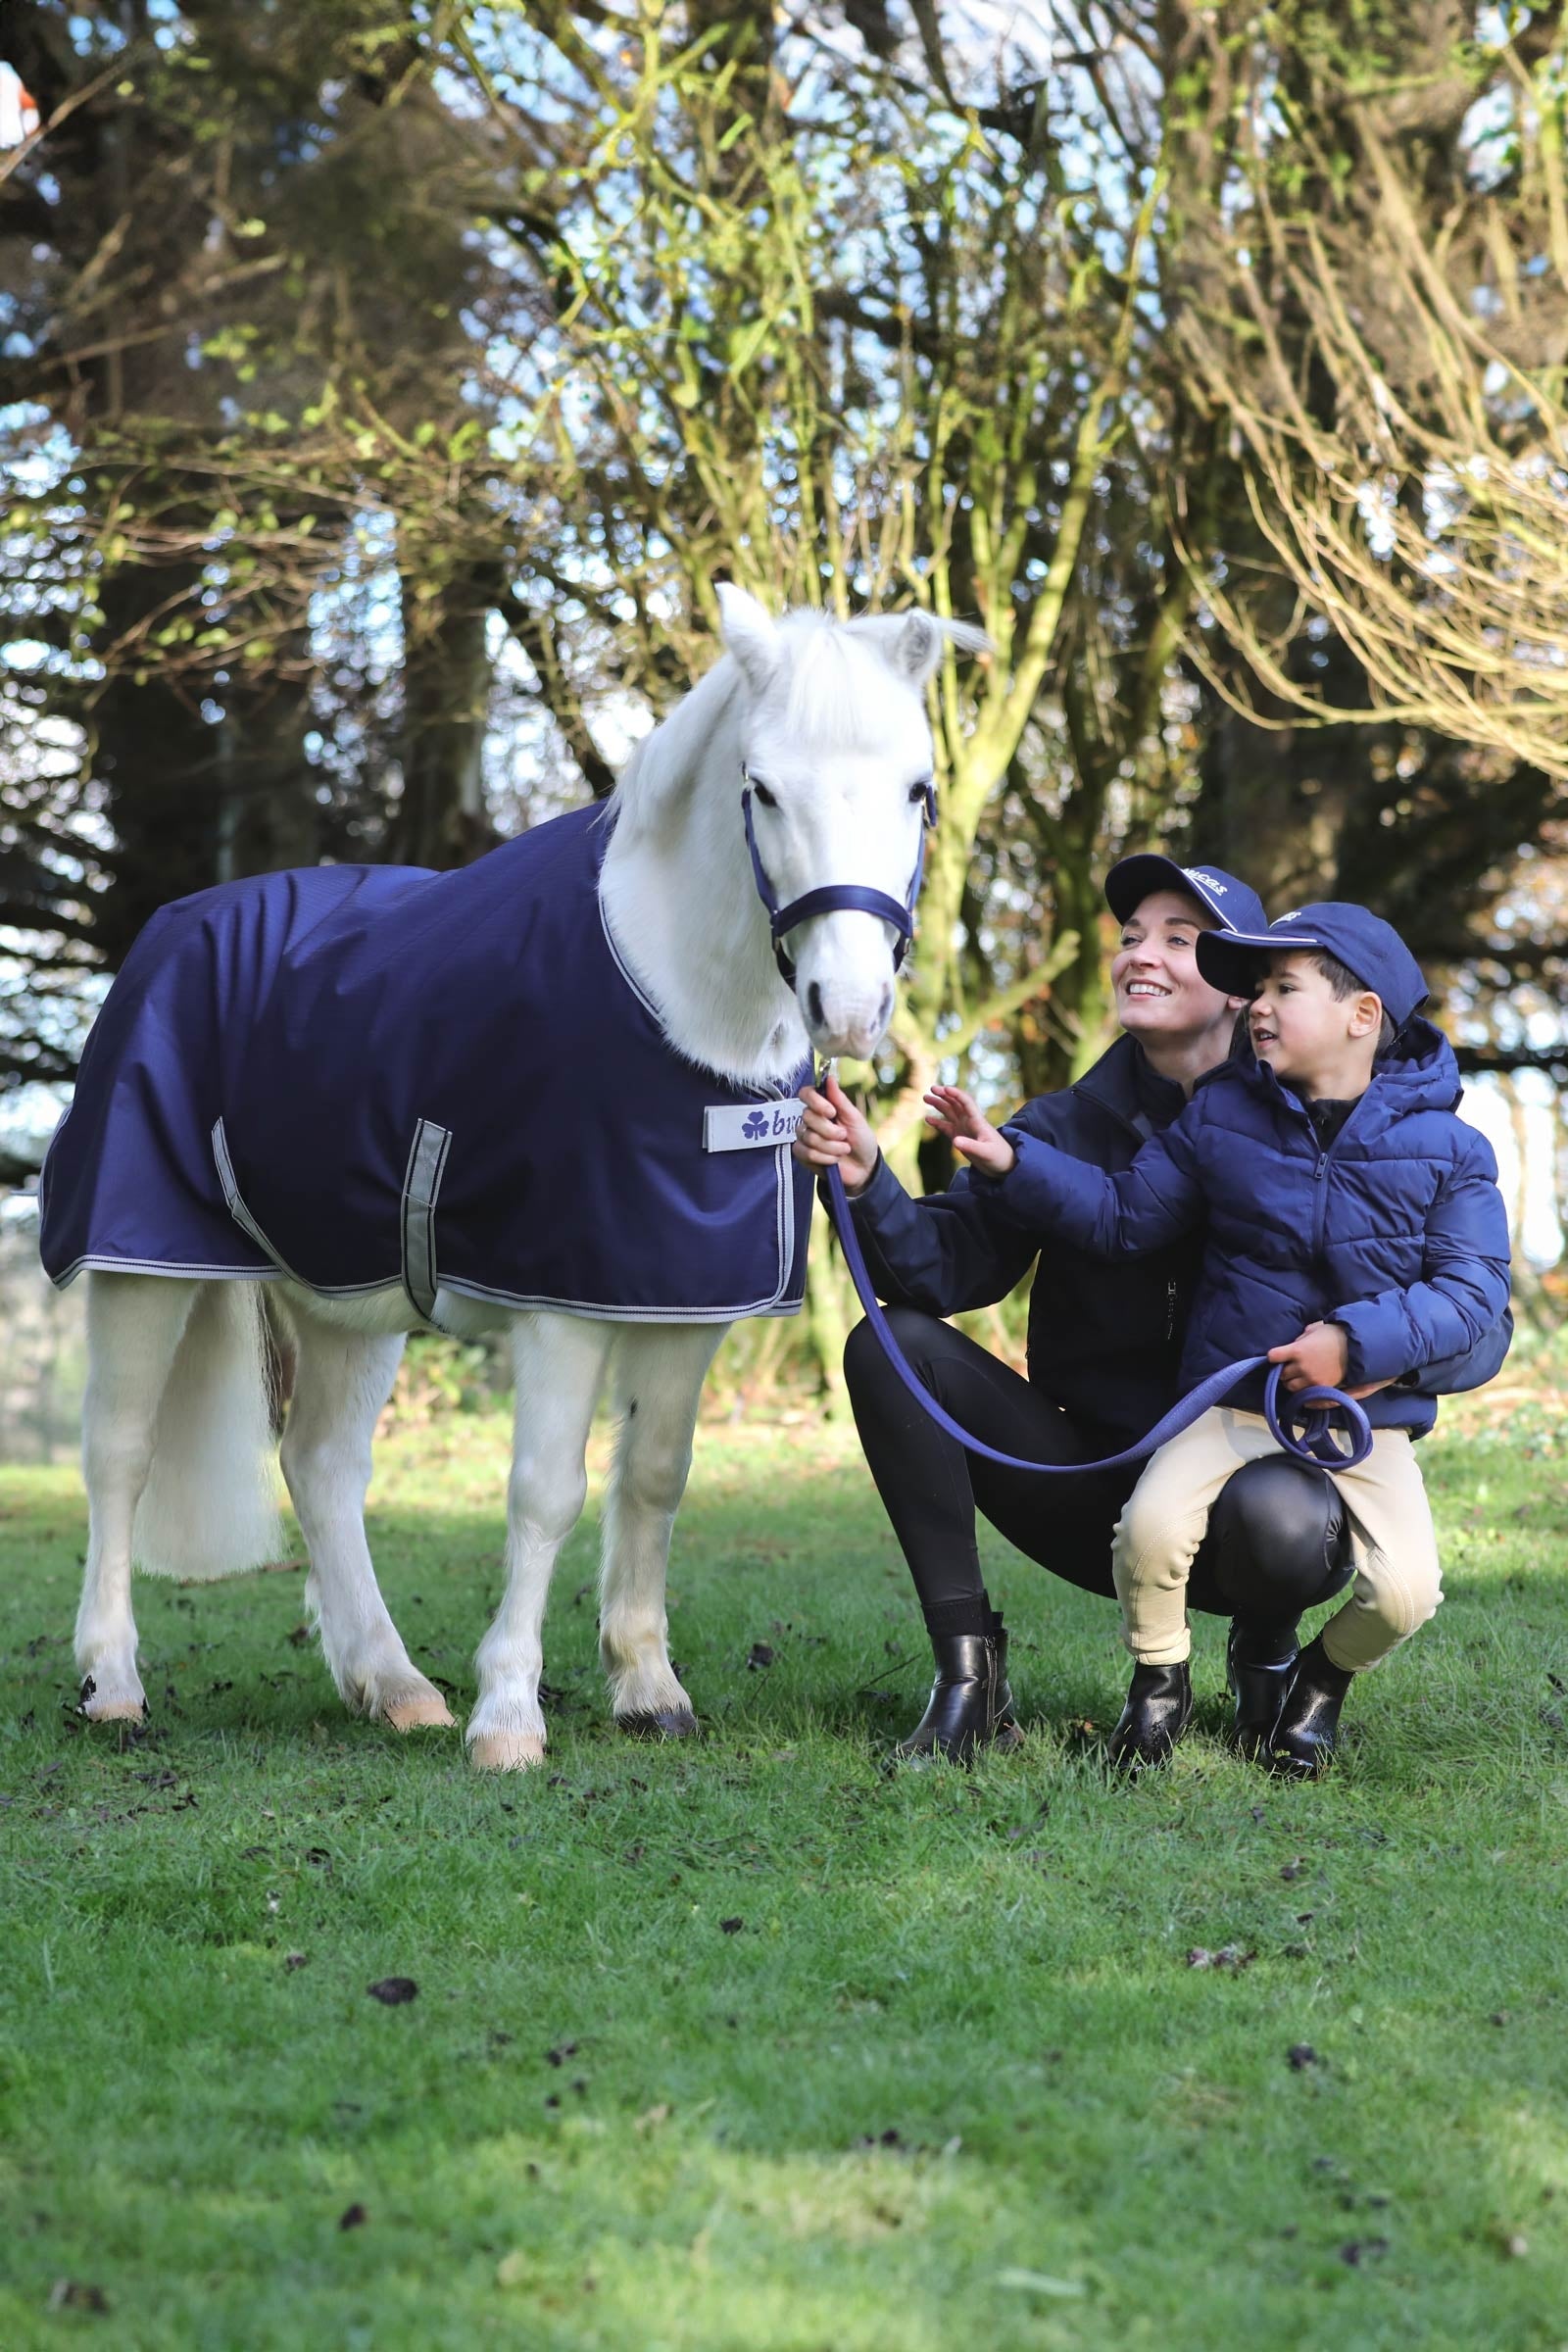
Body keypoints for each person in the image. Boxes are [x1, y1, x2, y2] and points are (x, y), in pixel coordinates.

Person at [795, 859, 1510, 1765]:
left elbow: (1477, 1316)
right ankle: (969, 1671)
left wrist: (1363, 1351)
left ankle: (1269, 1655)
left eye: (1180, 940)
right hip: (1101, 1478)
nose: (1142, 954)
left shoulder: (1383, 1135)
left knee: (1290, 1519)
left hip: (1278, 1488)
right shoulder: (1061, 1127)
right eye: (1131, 936)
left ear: (1239, 983)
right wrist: (868, 1183)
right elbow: (949, 1271)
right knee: (892, 1347)